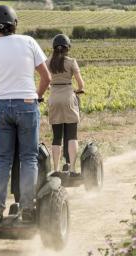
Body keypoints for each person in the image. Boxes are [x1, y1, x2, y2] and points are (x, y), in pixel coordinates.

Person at [0, 5, 51, 222]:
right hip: (26, 103)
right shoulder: (28, 42)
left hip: (0, 106)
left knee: (3, 160)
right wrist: (38, 96)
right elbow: (47, 78)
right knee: (28, 158)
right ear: (15, 23)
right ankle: (27, 210)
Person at [47, 34, 84, 177]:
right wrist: (79, 90)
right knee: (72, 136)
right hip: (68, 98)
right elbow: (81, 84)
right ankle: (72, 169)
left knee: (56, 137)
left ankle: (55, 169)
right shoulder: (71, 62)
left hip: (54, 99)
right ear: (68, 48)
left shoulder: (47, 62)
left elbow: (45, 80)